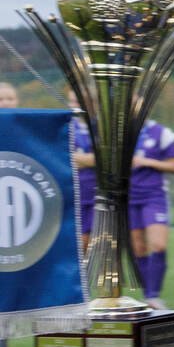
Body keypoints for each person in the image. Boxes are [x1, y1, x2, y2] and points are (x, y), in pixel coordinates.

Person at [128, 117, 174, 310]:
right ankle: (147, 295)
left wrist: (147, 162)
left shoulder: (161, 132)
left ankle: (154, 295)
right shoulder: (120, 134)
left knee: (158, 245)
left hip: (154, 195)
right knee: (139, 248)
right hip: (129, 197)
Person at [69, 99, 96, 255]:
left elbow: (106, 160)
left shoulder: (100, 127)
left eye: (78, 100)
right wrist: (92, 159)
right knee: (81, 246)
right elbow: (63, 158)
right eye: (72, 100)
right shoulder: (67, 127)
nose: (75, 103)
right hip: (76, 194)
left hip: (99, 194)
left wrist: (79, 159)